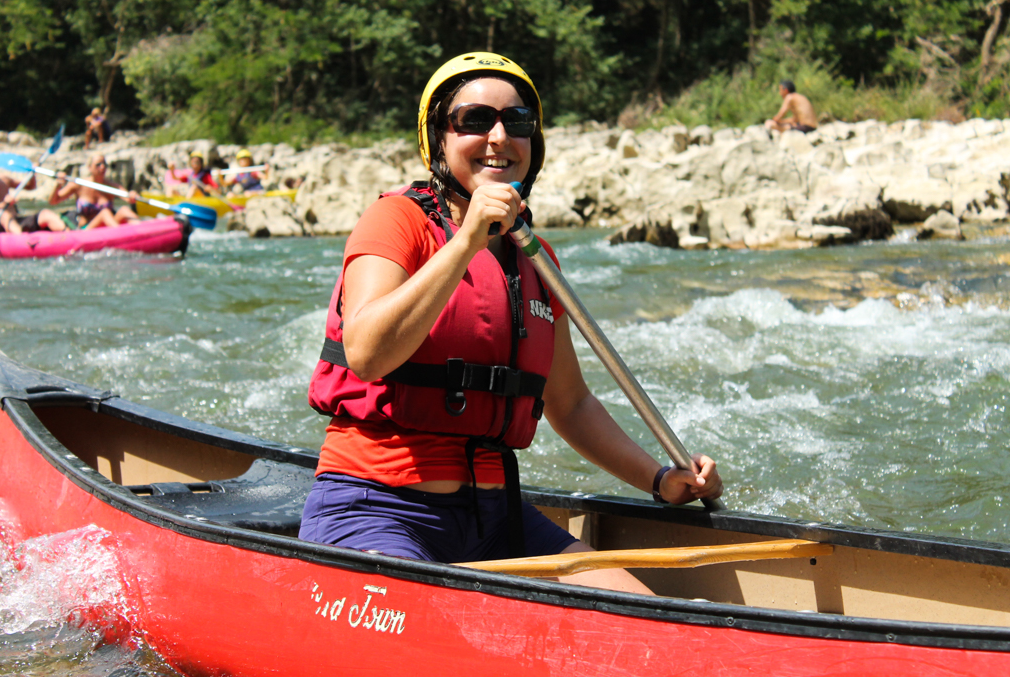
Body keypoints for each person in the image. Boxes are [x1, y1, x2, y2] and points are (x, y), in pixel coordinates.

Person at [299, 52, 723, 594]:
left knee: (642, 611)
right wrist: (469, 239)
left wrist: (661, 479)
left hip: (497, 519)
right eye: (475, 121)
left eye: (517, 122)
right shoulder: (397, 220)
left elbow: (570, 403)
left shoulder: (535, 255)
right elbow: (366, 351)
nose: (499, 136)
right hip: (379, 507)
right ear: (440, 138)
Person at [49, 153, 139, 229]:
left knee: (124, 210)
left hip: (107, 227)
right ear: (89, 168)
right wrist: (58, 185)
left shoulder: (111, 186)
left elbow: (128, 198)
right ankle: (123, 237)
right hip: (87, 229)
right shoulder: (78, 184)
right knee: (105, 213)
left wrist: (133, 195)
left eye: (104, 164)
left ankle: (144, 232)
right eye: (98, 165)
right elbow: (53, 201)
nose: (102, 167)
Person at [0, 159, 67, 234]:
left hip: (16, 220)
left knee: (45, 214)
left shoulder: (3, 179)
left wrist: (31, 174)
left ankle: (70, 235)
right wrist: (2, 205)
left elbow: (30, 186)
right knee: (5, 215)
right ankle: (22, 241)